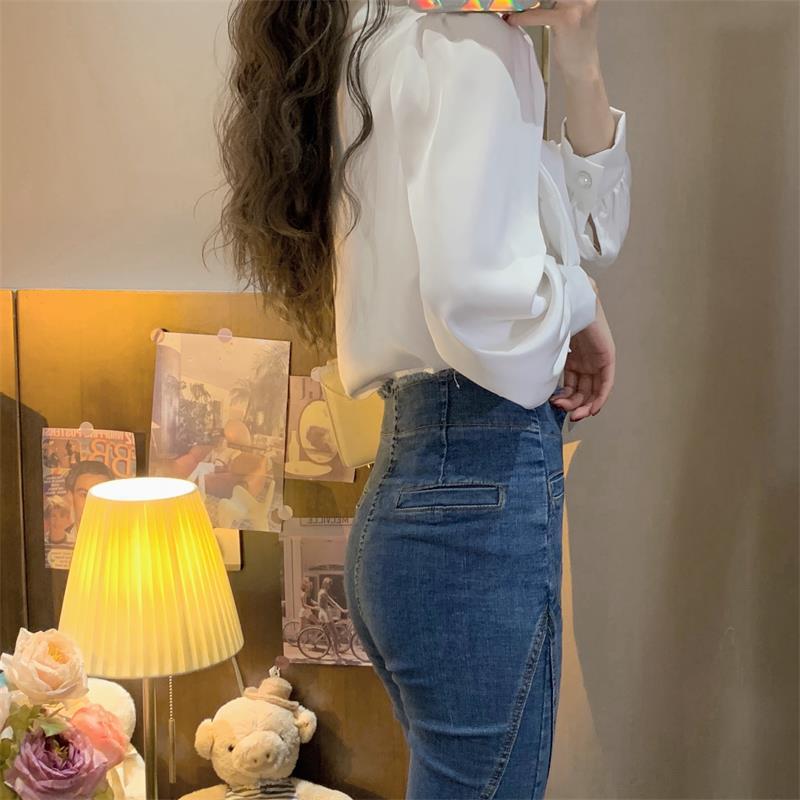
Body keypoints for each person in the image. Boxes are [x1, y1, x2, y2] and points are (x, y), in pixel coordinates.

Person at [209, 0, 631, 796]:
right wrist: (577, 302)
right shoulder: (462, 41)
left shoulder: (394, 34)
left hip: (427, 490)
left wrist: (578, 56)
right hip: (472, 492)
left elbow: (591, 236)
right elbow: (475, 296)